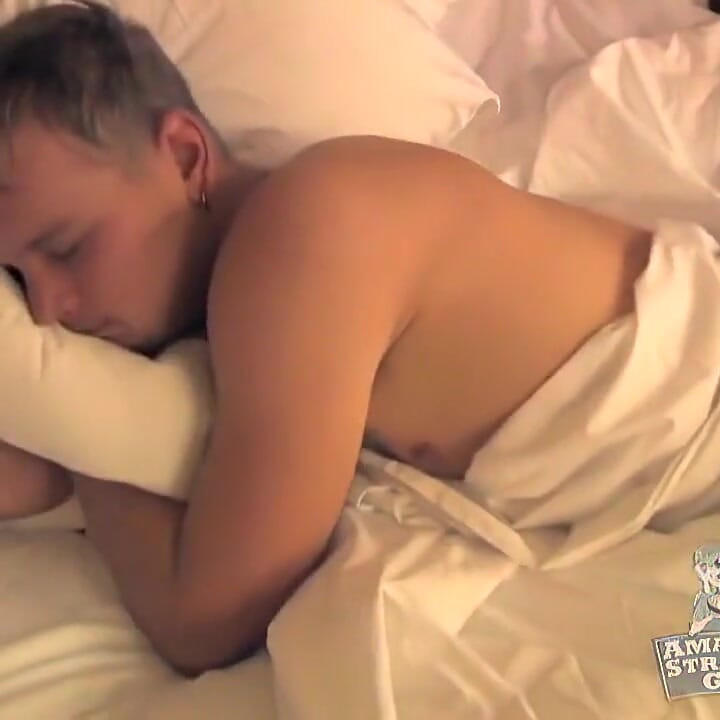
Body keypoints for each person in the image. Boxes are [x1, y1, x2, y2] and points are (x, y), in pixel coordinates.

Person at [0, 2, 652, 674]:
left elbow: (204, 621)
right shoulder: (215, 319)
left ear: (186, 157)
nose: (47, 311)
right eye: (17, 278)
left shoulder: (302, 234)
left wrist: (74, 408)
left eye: (69, 248)